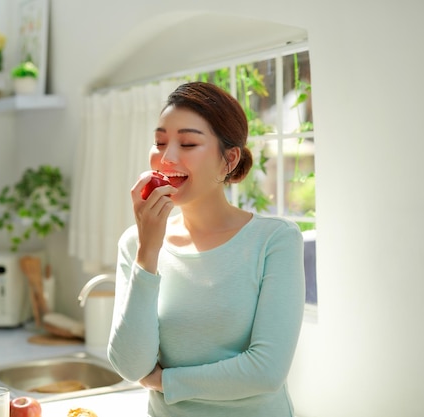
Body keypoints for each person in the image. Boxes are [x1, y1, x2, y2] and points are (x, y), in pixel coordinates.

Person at [107, 81, 306, 417]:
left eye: (187, 143)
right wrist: (148, 252)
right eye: (159, 142)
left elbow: (267, 372)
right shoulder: (137, 243)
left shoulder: (276, 240)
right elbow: (131, 366)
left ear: (228, 159)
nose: (166, 158)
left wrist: (164, 382)